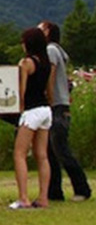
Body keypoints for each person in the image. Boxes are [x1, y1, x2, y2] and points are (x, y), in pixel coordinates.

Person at [39, 21, 92, 202]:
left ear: (47, 32)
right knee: (51, 150)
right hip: (60, 104)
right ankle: (54, 192)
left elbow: (50, 75)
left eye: (40, 29)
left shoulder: (51, 50)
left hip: (56, 105)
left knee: (60, 149)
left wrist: (47, 96)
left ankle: (82, 189)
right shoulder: (59, 50)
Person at [10, 27, 53, 210]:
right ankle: (43, 198)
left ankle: (23, 198)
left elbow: (21, 91)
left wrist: (18, 111)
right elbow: (49, 90)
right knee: (42, 156)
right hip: (45, 110)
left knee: (19, 154)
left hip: (31, 111)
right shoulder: (47, 63)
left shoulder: (26, 63)